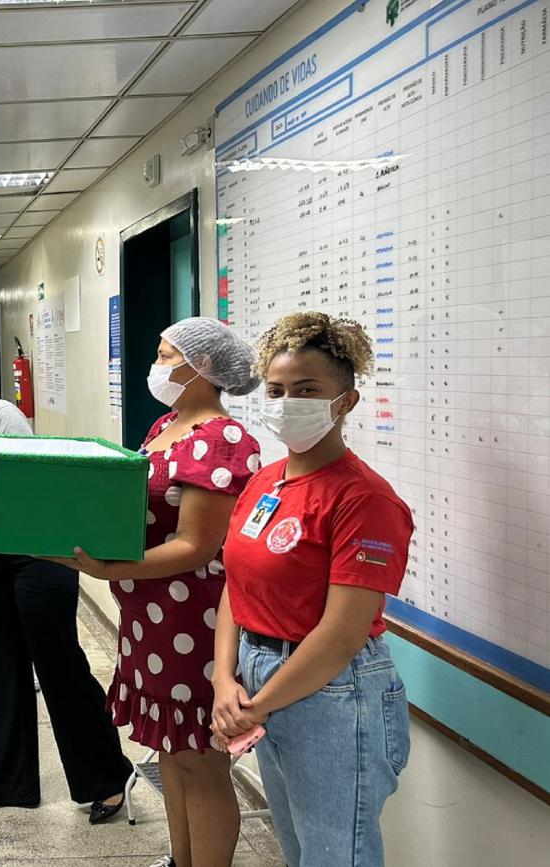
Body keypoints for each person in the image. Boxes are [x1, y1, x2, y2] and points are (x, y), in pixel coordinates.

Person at [54, 318, 262, 864]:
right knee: (171, 749)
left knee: (202, 759)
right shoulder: (167, 425)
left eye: (167, 356)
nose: (156, 365)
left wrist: (108, 569)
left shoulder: (224, 439)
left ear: (203, 366)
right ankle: (180, 858)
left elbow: (196, 546)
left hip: (195, 620)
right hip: (149, 616)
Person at [214, 312, 413, 867]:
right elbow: (237, 584)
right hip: (257, 674)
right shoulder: (266, 481)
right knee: (300, 849)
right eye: (276, 391)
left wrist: (256, 707)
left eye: (306, 390)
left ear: (345, 402)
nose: (286, 403)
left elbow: (342, 634)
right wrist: (224, 679)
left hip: (331, 691)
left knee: (335, 855)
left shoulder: (364, 499)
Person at [0, 342, 133, 818]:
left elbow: (31, 489)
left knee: (58, 665)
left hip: (36, 556)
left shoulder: (3, 417)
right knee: (2, 669)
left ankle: (108, 778)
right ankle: (10, 783)